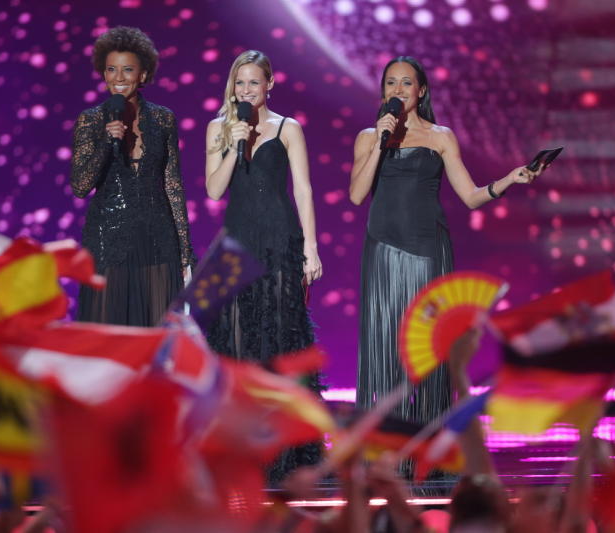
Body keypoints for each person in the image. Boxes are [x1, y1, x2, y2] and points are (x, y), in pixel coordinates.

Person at [350, 56, 540, 426]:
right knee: (386, 344)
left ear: (421, 91)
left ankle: (427, 434)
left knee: (426, 344)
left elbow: (470, 196)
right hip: (383, 250)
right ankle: (388, 435)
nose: (398, 89)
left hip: (427, 250)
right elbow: (357, 195)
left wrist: (509, 179)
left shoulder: (441, 137)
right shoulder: (369, 137)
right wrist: (379, 143)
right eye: (391, 83)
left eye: (407, 83)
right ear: (383, 91)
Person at [203, 50, 323, 482]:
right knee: (236, 345)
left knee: (279, 340)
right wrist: (234, 145)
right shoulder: (219, 127)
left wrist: (311, 246)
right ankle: (241, 450)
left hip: (279, 242)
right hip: (237, 246)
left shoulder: (288, 128)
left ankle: (285, 453)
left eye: (254, 82)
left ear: (269, 84)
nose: (246, 90)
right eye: (240, 83)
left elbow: (304, 190)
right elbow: (214, 191)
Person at [70, 26, 194, 327]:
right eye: (111, 69)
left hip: (158, 238)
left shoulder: (163, 119)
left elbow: (173, 185)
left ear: (143, 74)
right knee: (110, 334)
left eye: (127, 69)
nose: (119, 77)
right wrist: (106, 142)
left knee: (156, 333)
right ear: (103, 73)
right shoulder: (91, 120)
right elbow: (80, 186)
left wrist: (185, 253)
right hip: (108, 238)